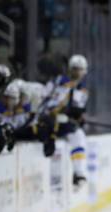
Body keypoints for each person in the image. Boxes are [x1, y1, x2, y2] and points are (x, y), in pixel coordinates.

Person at [43, 54, 89, 188]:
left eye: (80, 69)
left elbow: (77, 110)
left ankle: (78, 173)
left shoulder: (82, 89)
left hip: (64, 123)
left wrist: (79, 118)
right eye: (75, 69)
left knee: (79, 137)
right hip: (49, 121)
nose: (78, 72)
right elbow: (44, 100)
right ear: (70, 69)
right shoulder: (57, 81)